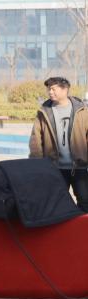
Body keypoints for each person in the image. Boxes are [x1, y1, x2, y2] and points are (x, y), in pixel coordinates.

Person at [28, 76, 88, 206]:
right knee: (56, 204)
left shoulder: (82, 110)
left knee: (85, 201)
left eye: (53, 89)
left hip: (79, 166)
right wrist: (36, 164)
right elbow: (36, 140)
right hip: (55, 168)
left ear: (65, 89)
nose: (50, 92)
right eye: (48, 89)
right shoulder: (44, 111)